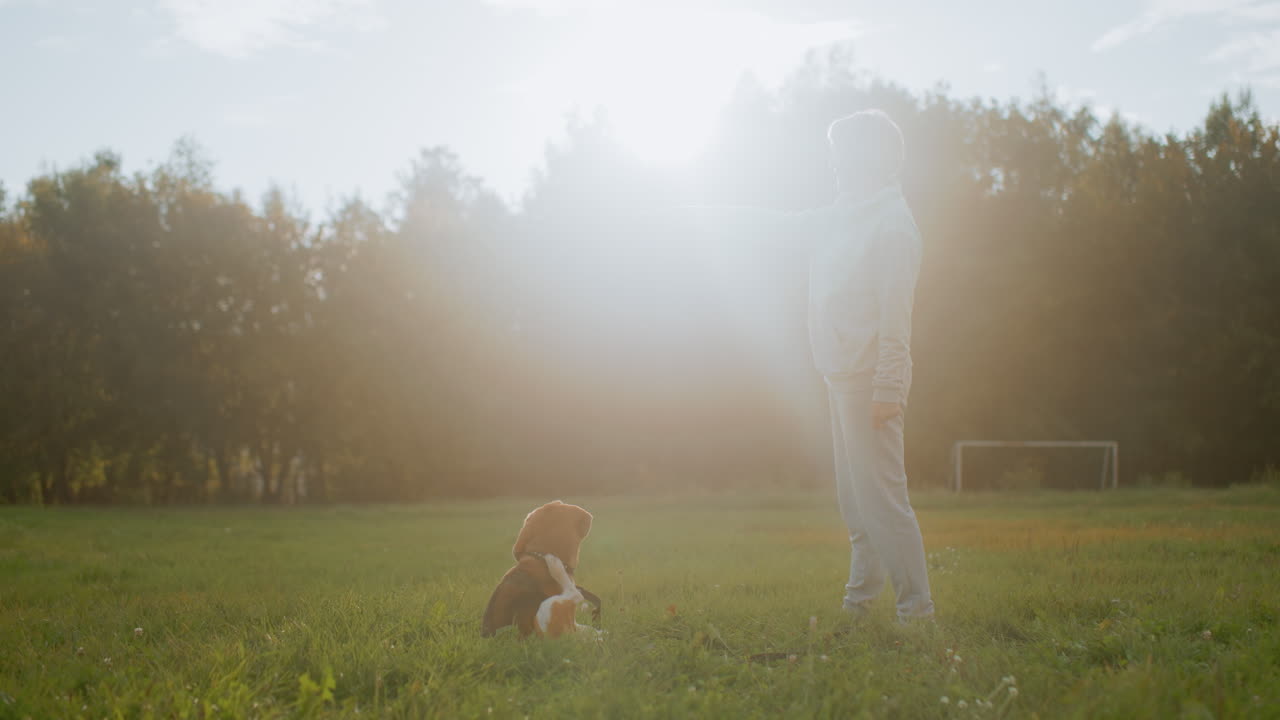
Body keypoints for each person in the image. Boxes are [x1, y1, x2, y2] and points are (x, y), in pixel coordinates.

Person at [686, 109, 934, 622]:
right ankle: (859, 606)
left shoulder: (893, 226)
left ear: (867, 157)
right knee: (856, 507)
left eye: (841, 154)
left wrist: (889, 388)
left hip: (871, 384)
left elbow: (896, 321)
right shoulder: (840, 217)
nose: (835, 165)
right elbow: (778, 227)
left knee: (885, 504)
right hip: (840, 379)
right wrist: (705, 212)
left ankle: (917, 616)